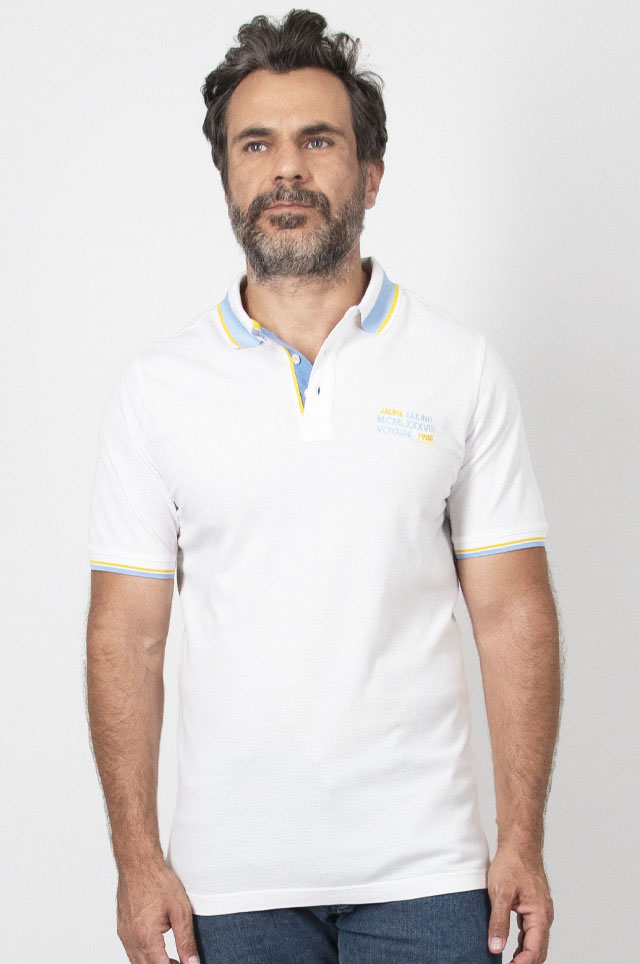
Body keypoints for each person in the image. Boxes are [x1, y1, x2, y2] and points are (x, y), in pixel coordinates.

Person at [85, 9, 561, 964]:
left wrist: (522, 840)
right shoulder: (157, 390)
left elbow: (513, 615)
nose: (287, 170)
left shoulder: (459, 369)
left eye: (318, 140)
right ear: (227, 175)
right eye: (256, 144)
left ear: (371, 174)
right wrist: (137, 860)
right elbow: (126, 635)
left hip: (429, 879)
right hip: (229, 887)